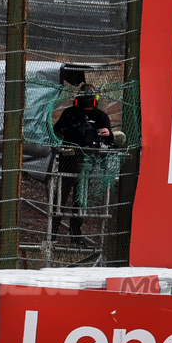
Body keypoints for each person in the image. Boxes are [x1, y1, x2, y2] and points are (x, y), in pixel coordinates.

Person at [52, 88, 112, 245]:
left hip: (87, 162)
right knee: (60, 199)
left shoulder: (100, 116)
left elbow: (109, 138)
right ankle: (52, 236)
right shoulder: (69, 113)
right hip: (68, 160)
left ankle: (75, 237)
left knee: (80, 201)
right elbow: (56, 131)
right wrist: (69, 134)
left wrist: (107, 135)